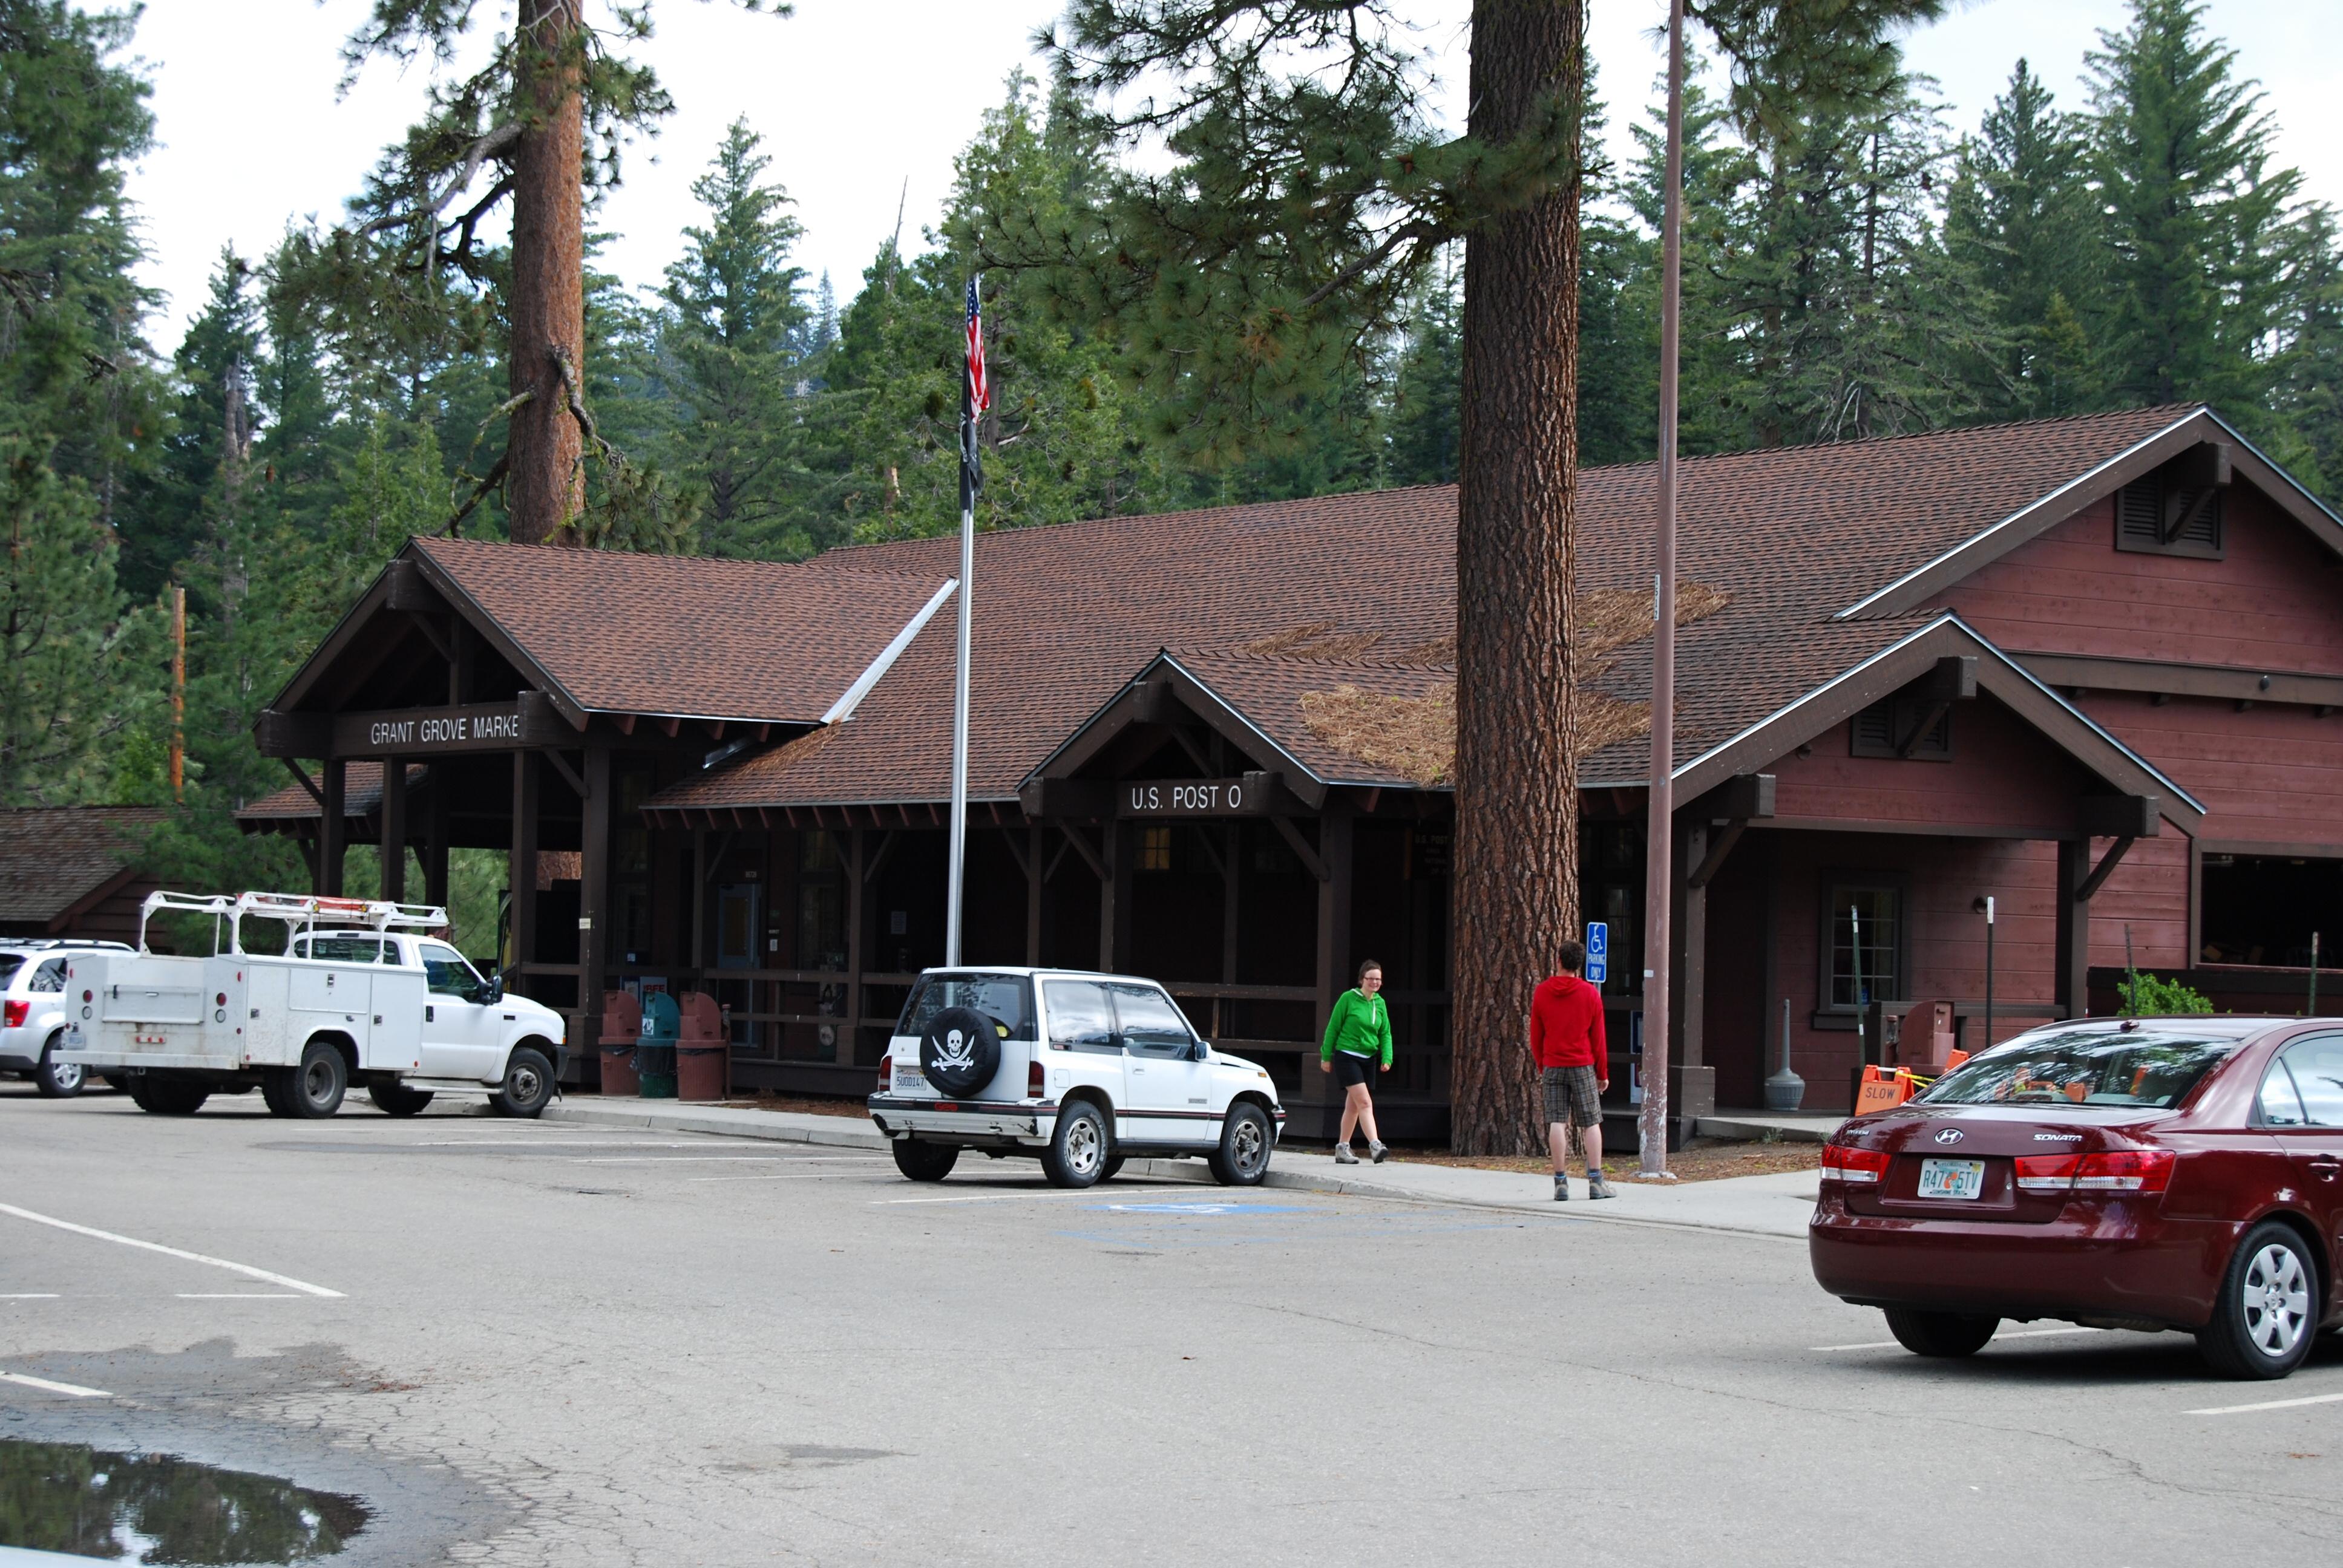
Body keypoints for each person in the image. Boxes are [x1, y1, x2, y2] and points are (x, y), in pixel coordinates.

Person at [1530, 940, 1613, 1200]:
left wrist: (1542, 1064)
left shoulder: (1542, 993)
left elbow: (1536, 1035)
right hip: (1582, 1064)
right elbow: (1598, 1038)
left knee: (1557, 1121)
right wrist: (1603, 1073)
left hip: (1554, 1063)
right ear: (1580, 965)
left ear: (1558, 961)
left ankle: (1560, 1182)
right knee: (1591, 1122)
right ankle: (1596, 1181)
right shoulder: (1590, 994)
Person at [1320, 958, 1394, 1163]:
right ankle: (1376, 1145)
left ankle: (1342, 1148)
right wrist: (1326, 1056)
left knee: (1353, 1107)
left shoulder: (1380, 1003)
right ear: (1362, 979)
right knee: (1365, 1102)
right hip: (1347, 1056)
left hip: (1368, 1058)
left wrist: (1387, 1057)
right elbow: (1333, 1027)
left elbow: (1385, 1032)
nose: (1375, 983)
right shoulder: (1348, 999)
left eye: (1378, 979)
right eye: (1371, 979)